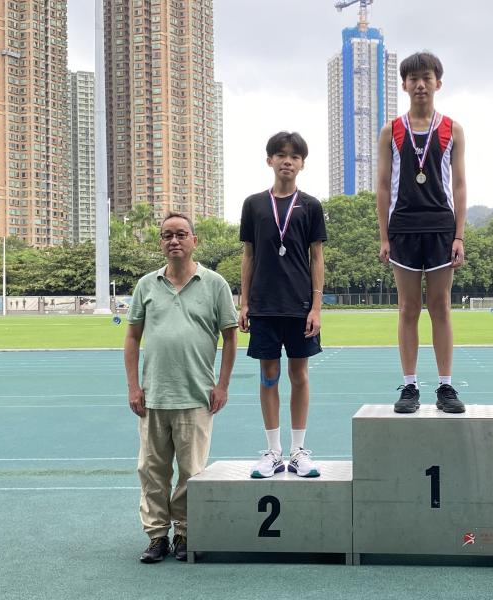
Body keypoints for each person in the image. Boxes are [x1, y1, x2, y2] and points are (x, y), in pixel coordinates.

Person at [124, 212, 238, 563]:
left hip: (196, 396)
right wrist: (133, 386)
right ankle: (157, 536)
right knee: (152, 471)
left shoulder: (215, 283)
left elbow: (231, 337)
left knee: (192, 473)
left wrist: (222, 385)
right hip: (154, 395)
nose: (174, 241)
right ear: (161, 242)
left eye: (181, 235)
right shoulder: (146, 285)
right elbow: (132, 337)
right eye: (166, 235)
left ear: (194, 240)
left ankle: (186, 533)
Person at [376, 51, 467, 414]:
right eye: (412, 78)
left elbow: (459, 185)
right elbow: (383, 186)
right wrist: (384, 236)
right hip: (404, 227)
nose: (419, 84)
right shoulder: (391, 130)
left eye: (426, 77)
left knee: (441, 307)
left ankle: (445, 387)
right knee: (408, 308)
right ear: (404, 85)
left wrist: (459, 235)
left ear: (438, 83)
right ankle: (410, 386)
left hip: (441, 226)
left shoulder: (452, 129)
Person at [240, 131, 327, 479]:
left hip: (299, 304)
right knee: (269, 376)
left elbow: (317, 257)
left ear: (302, 163)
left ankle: (298, 451)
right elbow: (248, 256)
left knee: (299, 375)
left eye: (294, 156)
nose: (287, 160)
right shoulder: (253, 204)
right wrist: (244, 302)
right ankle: (273, 451)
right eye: (280, 154)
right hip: (263, 305)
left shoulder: (311, 205)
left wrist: (316, 307)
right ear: (269, 160)